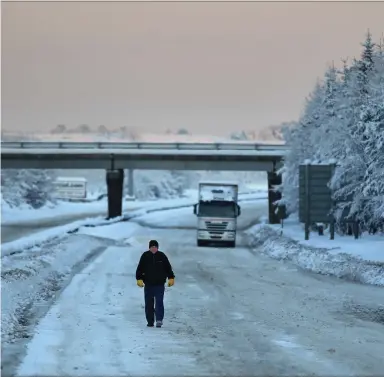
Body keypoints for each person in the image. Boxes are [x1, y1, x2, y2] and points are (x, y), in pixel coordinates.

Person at [136, 240, 175, 328]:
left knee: (159, 302)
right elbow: (139, 269)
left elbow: (168, 268)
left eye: (155, 247)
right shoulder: (145, 256)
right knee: (149, 303)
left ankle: (159, 320)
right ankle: (150, 321)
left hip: (159, 284)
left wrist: (171, 277)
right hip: (148, 284)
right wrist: (139, 279)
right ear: (149, 248)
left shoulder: (162, 256)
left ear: (157, 248)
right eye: (152, 247)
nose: (153, 249)